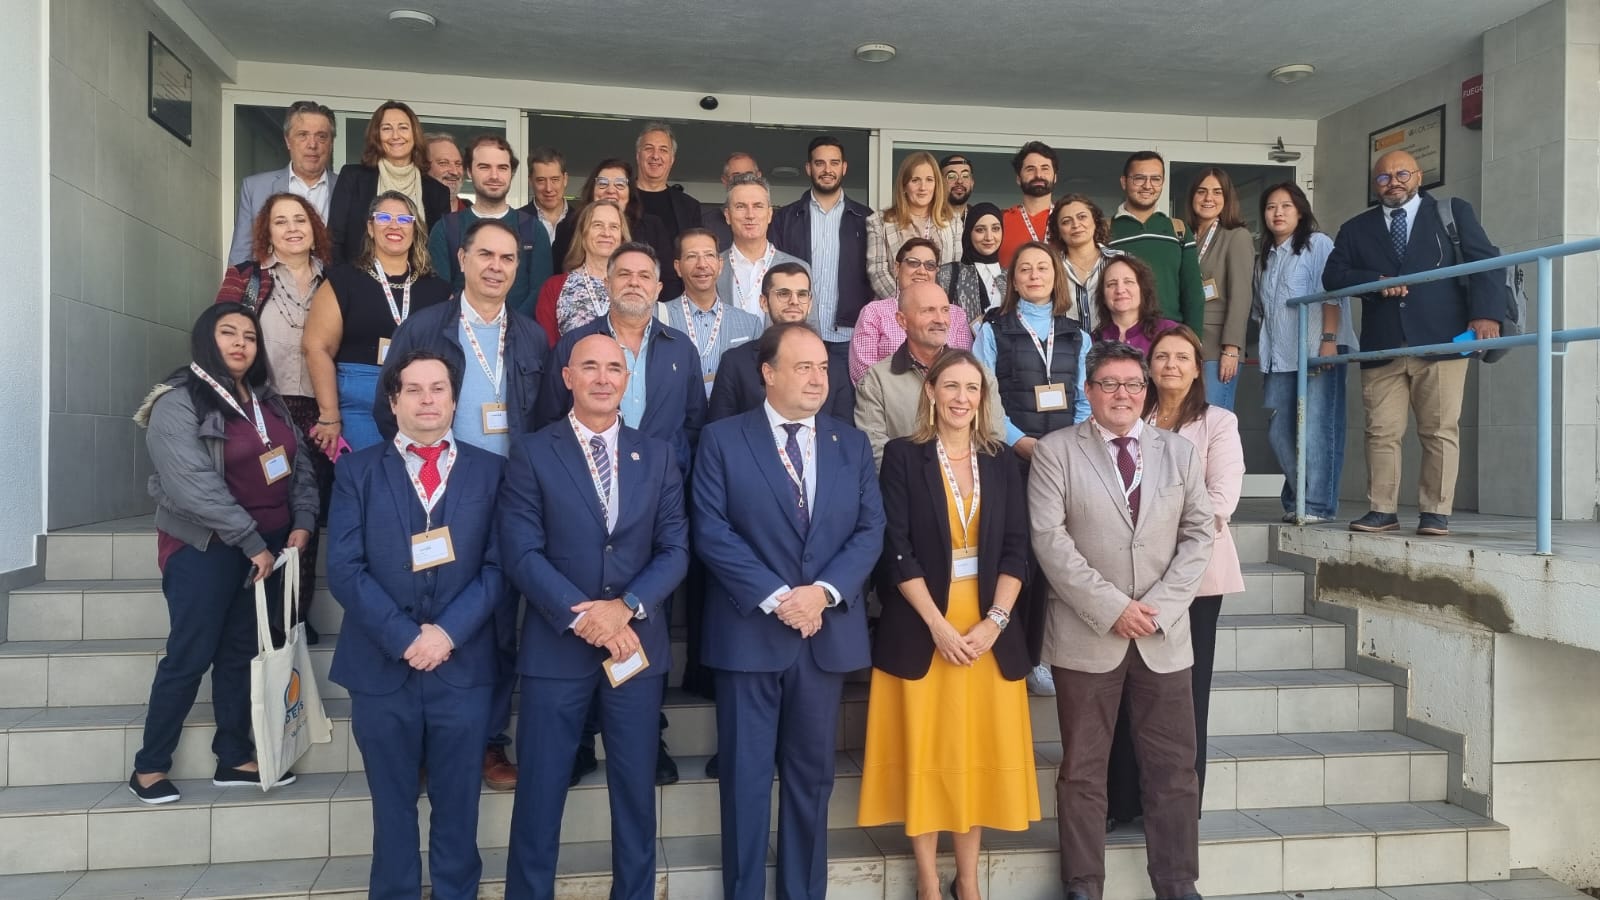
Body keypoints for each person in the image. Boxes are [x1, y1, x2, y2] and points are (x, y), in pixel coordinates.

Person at [692, 321, 885, 900]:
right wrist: (781, 598)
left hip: (822, 637)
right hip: (751, 635)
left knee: (811, 780)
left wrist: (821, 593)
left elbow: (870, 529)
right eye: (803, 367)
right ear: (767, 374)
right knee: (746, 780)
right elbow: (712, 530)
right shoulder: (723, 439)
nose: (817, 378)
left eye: (824, 368)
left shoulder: (848, 443)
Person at [499, 334, 690, 900]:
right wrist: (582, 617)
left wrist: (624, 608)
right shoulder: (533, 452)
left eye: (614, 368)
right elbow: (521, 552)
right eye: (590, 367)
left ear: (627, 381)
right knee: (539, 792)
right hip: (558, 650)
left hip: (634, 646)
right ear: (568, 377)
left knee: (634, 794)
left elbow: (676, 548)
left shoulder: (656, 454)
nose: (603, 378)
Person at [1029, 341, 1213, 900]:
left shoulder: (1178, 453)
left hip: (1164, 635)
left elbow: (1201, 533)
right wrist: (1113, 609)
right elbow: (1049, 541)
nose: (1123, 395)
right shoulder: (1056, 452)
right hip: (1088, 635)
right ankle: (1084, 884)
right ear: (1089, 392)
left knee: (1175, 769)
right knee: (1084, 770)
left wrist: (1157, 608)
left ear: (1146, 391)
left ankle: (1178, 884)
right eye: (1109, 384)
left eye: (1133, 385)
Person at [857, 349, 1039, 900]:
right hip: (923, 626)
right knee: (927, 755)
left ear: (983, 398)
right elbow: (897, 548)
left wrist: (995, 623)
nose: (962, 397)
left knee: (974, 757)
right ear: (930, 392)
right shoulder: (903, 457)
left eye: (972, 387)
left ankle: (968, 879)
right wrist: (938, 626)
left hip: (987, 627)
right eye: (952, 386)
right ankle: (929, 881)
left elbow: (1018, 549)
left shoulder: (1004, 460)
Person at [375, 219, 550, 791]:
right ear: (463, 259)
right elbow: (387, 406)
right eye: (485, 255)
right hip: (436, 488)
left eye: (507, 258)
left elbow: (544, 418)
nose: (496, 267)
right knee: (431, 608)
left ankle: (486, 743)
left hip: (508, 493)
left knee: (497, 620)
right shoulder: (425, 328)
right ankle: (429, 741)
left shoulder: (530, 337)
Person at [326, 349, 507, 900]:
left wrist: (446, 634)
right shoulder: (356, 470)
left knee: (459, 807)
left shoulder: (493, 472)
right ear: (393, 400)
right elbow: (344, 568)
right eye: (414, 389)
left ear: (454, 400)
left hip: (464, 668)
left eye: (438, 389)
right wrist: (407, 638)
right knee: (392, 806)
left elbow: (501, 567)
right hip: (382, 671)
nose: (427, 399)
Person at [128, 302, 318, 804]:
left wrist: (302, 522)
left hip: (267, 550)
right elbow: (191, 485)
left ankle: (233, 756)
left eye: (249, 336)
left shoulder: (267, 401)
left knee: (241, 652)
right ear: (205, 341)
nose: (239, 343)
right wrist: (251, 541)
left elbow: (298, 467)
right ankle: (149, 767)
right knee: (190, 655)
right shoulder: (177, 402)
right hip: (205, 547)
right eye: (228, 333)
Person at [1105, 324, 1246, 831]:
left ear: (1197, 366)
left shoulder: (1217, 422)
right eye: (1161, 356)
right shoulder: (1127, 417)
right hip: (1130, 579)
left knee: (1185, 697)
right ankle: (1121, 799)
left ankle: (1177, 806)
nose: (1170, 365)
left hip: (1194, 581)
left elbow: (1220, 500)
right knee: (1124, 691)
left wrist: (1157, 533)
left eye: (1181, 357)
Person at [1324, 149, 1503, 537]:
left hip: (1441, 341)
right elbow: (1333, 277)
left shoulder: (1452, 213)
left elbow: (1486, 260)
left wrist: (1486, 314)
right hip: (1384, 345)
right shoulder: (1356, 228)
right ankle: (1381, 510)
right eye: (1384, 178)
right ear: (1376, 186)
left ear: (1419, 176)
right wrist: (1376, 280)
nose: (1394, 183)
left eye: (1402, 174)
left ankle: (1435, 512)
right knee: (1382, 432)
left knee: (1439, 430)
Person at [971, 240, 1091, 698]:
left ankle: (1038, 656)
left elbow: (1086, 395)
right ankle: (1004, 649)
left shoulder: (1077, 334)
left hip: (1064, 461)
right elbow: (984, 393)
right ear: (1013, 279)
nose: (1035, 275)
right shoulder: (994, 328)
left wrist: (1062, 446)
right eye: (1025, 268)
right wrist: (1019, 441)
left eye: (1043, 268)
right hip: (1008, 456)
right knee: (1009, 552)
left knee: (1048, 558)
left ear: (1056, 278)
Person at [215, 192, 333, 643]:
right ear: (267, 231)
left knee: (308, 511)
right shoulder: (246, 277)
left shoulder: (333, 280)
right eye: (280, 222)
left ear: (313, 227)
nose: (291, 229)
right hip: (265, 405)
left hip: (319, 408)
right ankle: (257, 610)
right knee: (269, 507)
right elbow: (221, 335)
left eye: (299, 220)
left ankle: (296, 614)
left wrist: (331, 413)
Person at [304, 191, 453, 453]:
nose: (394, 225)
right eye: (384, 217)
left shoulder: (439, 291)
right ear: (370, 228)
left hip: (423, 405)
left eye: (404, 219)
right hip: (359, 407)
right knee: (365, 484)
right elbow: (316, 347)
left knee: (414, 489)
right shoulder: (343, 281)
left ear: (415, 228)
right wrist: (329, 414)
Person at [1256, 182, 1357, 524]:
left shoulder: (1318, 244)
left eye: (1285, 206)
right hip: (1279, 357)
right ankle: (1299, 496)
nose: (1278, 213)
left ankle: (1316, 505)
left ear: (1300, 210)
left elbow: (1331, 294)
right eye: (1271, 207)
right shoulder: (1266, 256)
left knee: (1317, 428)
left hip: (1317, 348)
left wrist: (1328, 339)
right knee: (1279, 431)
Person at [856, 281, 1004, 468]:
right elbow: (875, 452)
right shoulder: (877, 381)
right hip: (906, 492)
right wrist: (929, 481)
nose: (940, 319)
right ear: (902, 320)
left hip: (970, 491)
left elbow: (994, 441)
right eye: (928, 311)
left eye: (945, 310)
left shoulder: (980, 376)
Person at [769, 135, 874, 369]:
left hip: (847, 337)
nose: (827, 170)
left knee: (843, 405)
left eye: (834, 163)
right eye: (820, 163)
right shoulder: (785, 218)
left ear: (844, 168)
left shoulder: (867, 219)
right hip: (797, 331)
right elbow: (774, 275)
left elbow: (873, 277)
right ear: (809, 168)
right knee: (797, 402)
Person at [708, 262, 855, 423]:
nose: (794, 301)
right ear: (764, 302)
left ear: (810, 304)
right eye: (783, 294)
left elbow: (843, 435)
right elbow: (720, 432)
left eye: (802, 294)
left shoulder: (835, 366)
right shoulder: (735, 362)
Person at [427, 135, 554, 319]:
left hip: (518, 337)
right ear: (469, 171)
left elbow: (540, 292)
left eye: (502, 168)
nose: (494, 176)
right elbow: (440, 292)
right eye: (484, 167)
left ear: (511, 172)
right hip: (460, 334)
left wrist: (507, 326)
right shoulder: (446, 228)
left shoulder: (532, 229)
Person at [327, 101, 452, 264]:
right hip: (357, 281)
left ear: (414, 134)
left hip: (418, 284)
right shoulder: (353, 177)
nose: (395, 136)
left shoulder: (438, 192)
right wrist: (343, 284)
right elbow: (333, 241)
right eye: (386, 128)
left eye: (403, 127)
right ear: (376, 135)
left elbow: (441, 251)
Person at [227, 100, 337, 265]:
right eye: (303, 135)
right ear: (287, 141)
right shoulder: (255, 188)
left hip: (333, 288)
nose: (312, 145)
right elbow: (241, 256)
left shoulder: (348, 188)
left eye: (321, 136)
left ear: (331, 143)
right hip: (272, 287)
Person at [849, 239, 975, 383]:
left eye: (930, 265)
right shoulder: (874, 312)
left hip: (943, 399)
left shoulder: (956, 314)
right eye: (913, 263)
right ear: (897, 267)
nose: (921, 271)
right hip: (889, 399)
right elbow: (864, 375)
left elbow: (964, 365)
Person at [1107, 151, 1205, 333]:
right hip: (1120, 335)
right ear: (1124, 182)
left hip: (1169, 336)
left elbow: (1193, 293)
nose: (1147, 186)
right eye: (1139, 178)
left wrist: (1194, 341)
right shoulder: (1104, 231)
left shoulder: (1179, 230)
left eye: (1155, 179)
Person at [661, 228, 763, 396]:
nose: (702, 264)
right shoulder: (659, 316)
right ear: (677, 267)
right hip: (678, 417)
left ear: (720, 264)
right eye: (692, 256)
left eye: (709, 255)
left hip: (730, 418)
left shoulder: (750, 324)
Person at [1183, 167, 1254, 411]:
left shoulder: (1236, 236)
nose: (1208, 198)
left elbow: (1241, 296)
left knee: (1211, 421)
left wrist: (1232, 348)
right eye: (1202, 191)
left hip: (1217, 346)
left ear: (1227, 199)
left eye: (1216, 192)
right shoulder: (1186, 236)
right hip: (1186, 341)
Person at [550, 158, 673, 282]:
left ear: (630, 192)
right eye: (603, 183)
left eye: (620, 184)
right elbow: (556, 276)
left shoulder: (652, 227)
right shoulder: (569, 226)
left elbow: (668, 280)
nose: (610, 190)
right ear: (592, 190)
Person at [867, 151, 962, 298]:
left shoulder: (953, 222)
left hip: (936, 310)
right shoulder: (879, 221)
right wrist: (905, 303)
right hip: (894, 310)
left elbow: (954, 272)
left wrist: (933, 303)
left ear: (937, 185)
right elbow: (877, 271)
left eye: (929, 180)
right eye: (915, 180)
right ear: (904, 186)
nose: (923, 187)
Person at [536, 200, 629, 343]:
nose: (606, 233)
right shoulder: (554, 287)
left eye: (614, 227)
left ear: (622, 237)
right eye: (597, 225)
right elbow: (547, 350)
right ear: (583, 234)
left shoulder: (634, 285)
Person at [717, 172, 808, 317]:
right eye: (740, 206)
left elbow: (810, 330)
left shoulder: (799, 268)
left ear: (770, 214)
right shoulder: (712, 268)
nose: (750, 215)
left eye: (758, 206)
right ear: (727, 216)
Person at [635, 122, 703, 299]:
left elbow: (695, 256)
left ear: (672, 159)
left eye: (663, 150)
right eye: (648, 148)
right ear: (638, 155)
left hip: (674, 301)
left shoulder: (689, 207)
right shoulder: (620, 197)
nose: (655, 155)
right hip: (628, 294)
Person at [1049, 194, 1116, 333]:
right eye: (1066, 221)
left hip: (1112, 350)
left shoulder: (1121, 261)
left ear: (1095, 221)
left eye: (1082, 217)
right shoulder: (1050, 267)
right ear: (1058, 231)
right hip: (1066, 350)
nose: (1076, 225)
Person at [1091, 254, 1180, 354]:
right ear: (1103, 295)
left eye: (1128, 282)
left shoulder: (1169, 331)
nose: (1120, 290)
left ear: (1143, 289)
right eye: (1112, 284)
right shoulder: (1092, 341)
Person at [937, 201, 1006, 323]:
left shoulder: (1011, 277)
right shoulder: (947, 274)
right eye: (980, 230)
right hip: (958, 342)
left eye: (995, 229)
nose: (989, 237)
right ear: (969, 233)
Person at [999, 141, 1057, 267]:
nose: (1038, 175)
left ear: (1055, 177)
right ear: (1018, 179)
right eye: (1030, 169)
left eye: (1045, 168)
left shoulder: (1068, 220)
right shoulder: (1000, 221)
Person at [703, 151, 760, 249]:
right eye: (736, 176)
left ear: (759, 177)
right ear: (725, 181)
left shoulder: (776, 221)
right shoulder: (706, 223)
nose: (743, 180)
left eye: (749, 175)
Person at [521, 146, 571, 250]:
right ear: (530, 181)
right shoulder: (517, 221)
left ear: (565, 179)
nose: (548, 188)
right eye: (541, 180)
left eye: (555, 179)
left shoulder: (582, 220)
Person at [425, 132, 468, 213]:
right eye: (443, 163)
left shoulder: (477, 219)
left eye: (458, 164)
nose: (454, 172)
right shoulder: (406, 215)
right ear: (423, 167)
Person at [941, 153, 975, 224]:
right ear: (940, 182)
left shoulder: (980, 218)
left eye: (965, 176)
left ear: (972, 182)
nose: (959, 181)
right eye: (951, 176)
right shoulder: (929, 217)